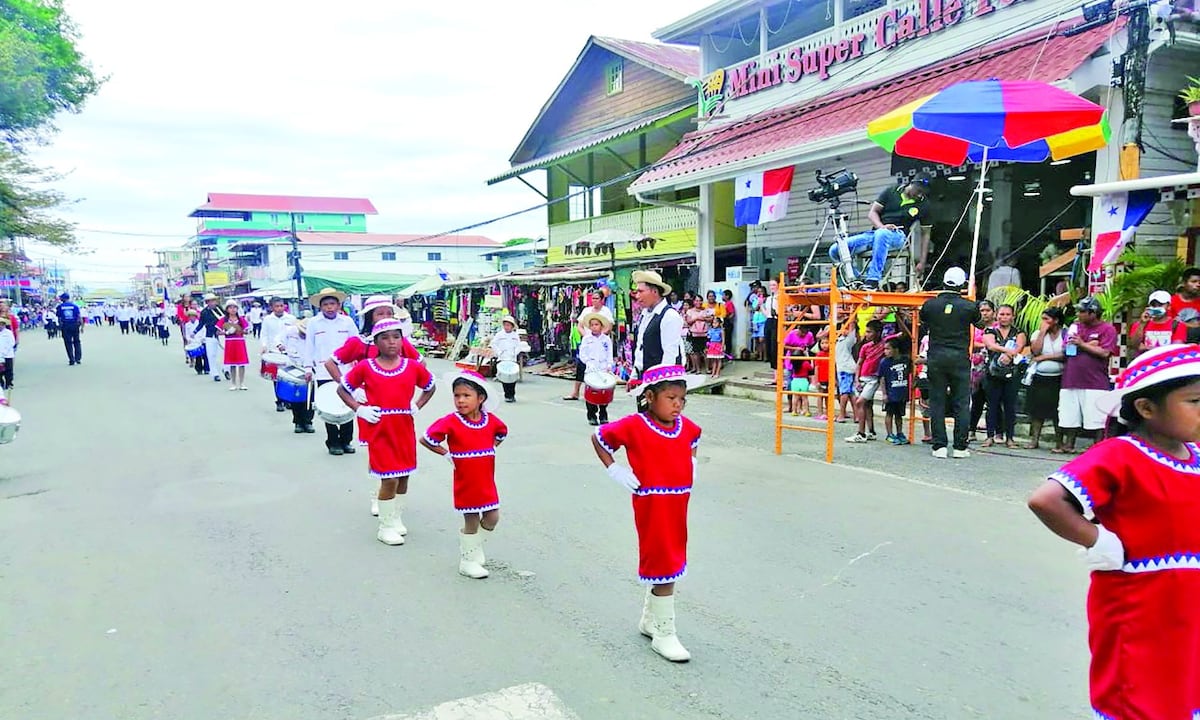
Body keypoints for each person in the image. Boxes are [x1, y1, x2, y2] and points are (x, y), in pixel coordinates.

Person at [1027, 343, 1200, 720]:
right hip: (1138, 607)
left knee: (1182, 695)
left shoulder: (1195, 457)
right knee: (1137, 697)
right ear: (1147, 408)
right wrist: (1100, 541)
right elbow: (1047, 499)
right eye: (1194, 401)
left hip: (1187, 608)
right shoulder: (1121, 454)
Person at [591, 364, 703, 663]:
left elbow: (693, 439)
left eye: (682, 398)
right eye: (670, 398)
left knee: (673, 556)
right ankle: (664, 632)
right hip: (653, 504)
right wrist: (615, 469)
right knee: (664, 559)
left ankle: (650, 619)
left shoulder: (685, 426)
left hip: (679, 503)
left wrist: (692, 463)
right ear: (650, 397)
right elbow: (600, 438)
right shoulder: (634, 425)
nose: (677, 404)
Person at [337, 318, 436, 546]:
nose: (391, 342)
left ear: (402, 340)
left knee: (403, 475)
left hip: (403, 426)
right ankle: (385, 525)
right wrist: (359, 409)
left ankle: (396, 517)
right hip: (380, 426)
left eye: (396, 337)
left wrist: (417, 405)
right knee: (388, 478)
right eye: (385, 338)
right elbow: (343, 389)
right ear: (376, 342)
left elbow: (430, 387)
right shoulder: (366, 367)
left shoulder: (412, 366)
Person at [324, 295, 416, 515]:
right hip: (371, 409)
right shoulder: (359, 343)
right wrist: (354, 391)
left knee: (400, 455)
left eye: (388, 313)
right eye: (379, 313)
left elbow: (419, 365)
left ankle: (391, 500)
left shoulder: (399, 342)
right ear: (369, 318)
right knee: (378, 451)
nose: (384, 317)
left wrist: (412, 397)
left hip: (398, 409)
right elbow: (331, 363)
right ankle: (379, 494)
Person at [420, 369, 508, 578]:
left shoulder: (491, 420)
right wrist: (446, 454)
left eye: (466, 396)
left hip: (486, 480)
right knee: (471, 520)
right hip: (466, 482)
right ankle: (467, 561)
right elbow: (427, 439)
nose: (460, 401)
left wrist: (492, 446)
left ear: (481, 398)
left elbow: (502, 432)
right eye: (457, 395)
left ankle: (474, 548)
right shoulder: (451, 421)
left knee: (492, 517)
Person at [828, 173, 930, 290]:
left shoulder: (924, 204)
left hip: (899, 236)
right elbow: (872, 212)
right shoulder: (891, 191)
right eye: (918, 190)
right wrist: (881, 226)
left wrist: (922, 261)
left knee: (883, 234)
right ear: (911, 184)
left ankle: (873, 280)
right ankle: (857, 280)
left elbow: (926, 234)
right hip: (877, 232)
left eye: (923, 192)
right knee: (836, 249)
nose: (919, 194)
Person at [919, 267, 980, 459]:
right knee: (961, 402)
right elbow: (980, 322)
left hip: (936, 357)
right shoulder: (969, 306)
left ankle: (939, 446)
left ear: (944, 281)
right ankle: (960, 447)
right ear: (962, 284)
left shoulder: (930, 305)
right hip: (959, 358)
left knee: (937, 402)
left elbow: (923, 321)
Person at [302, 287, 358, 455]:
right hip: (323, 371)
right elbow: (309, 346)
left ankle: (346, 440)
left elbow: (356, 343)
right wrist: (307, 367)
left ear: (339, 305)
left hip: (346, 371)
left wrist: (358, 362)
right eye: (326, 304)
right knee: (329, 406)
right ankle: (333, 442)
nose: (329, 307)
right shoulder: (314, 323)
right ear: (320, 307)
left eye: (332, 304)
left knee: (347, 405)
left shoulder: (347, 322)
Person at [1059, 296, 1118, 454]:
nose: (1078, 314)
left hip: (1095, 380)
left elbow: (1104, 352)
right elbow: (1065, 348)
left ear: (1093, 313)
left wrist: (1082, 344)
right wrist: (1089, 345)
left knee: (1096, 417)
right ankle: (1069, 444)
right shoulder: (1075, 327)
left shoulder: (1107, 329)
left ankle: (1097, 446)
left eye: (1082, 312)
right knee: (1069, 414)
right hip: (1071, 377)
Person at [981, 304, 1027, 448]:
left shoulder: (1019, 332)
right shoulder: (990, 330)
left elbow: (1020, 346)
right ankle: (989, 436)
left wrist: (1010, 354)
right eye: (1002, 314)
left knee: (1010, 406)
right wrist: (1008, 351)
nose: (1004, 317)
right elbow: (990, 345)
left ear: (1013, 316)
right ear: (997, 315)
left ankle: (1010, 438)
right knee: (992, 405)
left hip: (1012, 374)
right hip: (993, 373)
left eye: (1007, 314)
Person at [630, 270, 684, 380]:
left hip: (661, 382)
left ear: (654, 291)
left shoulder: (669, 316)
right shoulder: (644, 315)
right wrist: (635, 375)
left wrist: (662, 384)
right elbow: (640, 347)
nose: (637, 296)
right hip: (645, 379)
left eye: (641, 291)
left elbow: (670, 355)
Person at [1027, 307, 1066, 451]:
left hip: (1059, 378)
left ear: (1055, 321)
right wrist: (1043, 332)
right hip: (1040, 377)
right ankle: (1034, 440)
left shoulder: (1066, 333)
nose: (1043, 322)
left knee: (1058, 411)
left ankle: (1059, 442)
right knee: (1037, 411)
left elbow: (1066, 354)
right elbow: (1035, 351)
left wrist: (1045, 357)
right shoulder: (1038, 333)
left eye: (1046, 319)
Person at [565, 291, 614, 401]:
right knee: (581, 366)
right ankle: (576, 392)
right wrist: (587, 336)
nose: (594, 301)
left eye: (597, 298)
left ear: (602, 300)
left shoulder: (606, 311)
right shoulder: (586, 311)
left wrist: (599, 336)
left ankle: (601, 393)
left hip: (600, 342)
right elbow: (580, 326)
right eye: (593, 298)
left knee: (600, 369)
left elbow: (609, 326)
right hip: (588, 342)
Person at [845, 319, 884, 443]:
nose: (866, 334)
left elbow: (900, 335)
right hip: (862, 378)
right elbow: (859, 363)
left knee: (860, 402)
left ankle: (861, 433)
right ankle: (871, 431)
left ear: (877, 333)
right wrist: (856, 380)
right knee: (867, 405)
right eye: (866, 331)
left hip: (873, 379)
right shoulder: (865, 347)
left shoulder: (884, 344)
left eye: (869, 332)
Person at [577, 310, 615, 426]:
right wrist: (588, 362)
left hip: (603, 368)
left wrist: (609, 365)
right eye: (592, 325)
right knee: (592, 392)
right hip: (591, 368)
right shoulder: (586, 339)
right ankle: (591, 414)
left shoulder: (606, 340)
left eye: (596, 325)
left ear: (601, 326)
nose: (594, 327)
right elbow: (582, 353)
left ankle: (603, 414)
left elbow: (609, 353)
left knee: (604, 391)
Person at [260, 297, 297, 412]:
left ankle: (288, 400)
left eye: (281, 306)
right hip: (273, 352)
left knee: (289, 378)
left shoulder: (291, 318)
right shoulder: (267, 320)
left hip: (288, 352)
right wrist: (264, 346)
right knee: (276, 378)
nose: (280, 308)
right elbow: (264, 334)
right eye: (277, 306)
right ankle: (279, 401)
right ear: (272, 307)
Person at [279, 318, 315, 434]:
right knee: (296, 396)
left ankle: (308, 422)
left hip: (309, 367)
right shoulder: (290, 331)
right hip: (293, 366)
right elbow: (278, 339)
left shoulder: (313, 337)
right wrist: (280, 345)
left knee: (309, 397)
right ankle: (298, 422)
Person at [968, 300, 997, 442]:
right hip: (976, 370)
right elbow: (970, 343)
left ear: (993, 312)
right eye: (982, 310)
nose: (984, 313)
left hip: (994, 368)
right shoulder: (974, 328)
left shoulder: (998, 327)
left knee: (995, 401)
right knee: (976, 401)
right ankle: (971, 430)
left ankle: (997, 433)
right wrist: (988, 344)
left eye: (987, 310)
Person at [878, 336, 911, 444]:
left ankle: (900, 433)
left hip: (901, 392)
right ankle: (889, 434)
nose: (885, 352)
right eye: (884, 349)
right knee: (889, 413)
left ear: (896, 349)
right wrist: (884, 394)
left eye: (888, 349)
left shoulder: (905, 360)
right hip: (891, 393)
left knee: (899, 414)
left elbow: (911, 372)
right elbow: (882, 378)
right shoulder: (884, 362)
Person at [1128, 289, 1177, 357]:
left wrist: (1148, 348)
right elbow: (1135, 345)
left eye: (1160, 305)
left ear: (1168, 306)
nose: (1156, 308)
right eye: (1153, 305)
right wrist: (1142, 324)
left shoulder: (1177, 324)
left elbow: (1176, 349)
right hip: (1146, 363)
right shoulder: (1139, 324)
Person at [489, 315, 523, 403]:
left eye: (508, 325)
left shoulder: (515, 335)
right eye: (505, 325)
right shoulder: (499, 335)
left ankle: (512, 394)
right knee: (505, 378)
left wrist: (515, 353)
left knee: (512, 377)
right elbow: (493, 344)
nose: (507, 327)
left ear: (512, 326)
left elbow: (519, 346)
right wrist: (499, 352)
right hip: (502, 359)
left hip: (512, 359)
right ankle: (507, 395)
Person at [219, 300, 250, 391]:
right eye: (230, 307)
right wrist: (226, 332)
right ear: (227, 309)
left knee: (242, 364)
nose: (233, 309)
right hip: (229, 342)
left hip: (240, 342)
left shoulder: (241, 320)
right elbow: (217, 331)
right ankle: (233, 383)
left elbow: (247, 330)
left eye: (234, 307)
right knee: (232, 364)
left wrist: (239, 330)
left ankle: (241, 383)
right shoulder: (224, 320)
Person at [197, 293, 224, 382]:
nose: (213, 302)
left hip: (221, 334)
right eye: (211, 301)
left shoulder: (220, 309)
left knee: (224, 354)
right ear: (207, 302)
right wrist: (195, 332)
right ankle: (215, 373)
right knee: (211, 355)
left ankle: (226, 369)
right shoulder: (204, 312)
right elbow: (201, 324)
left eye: (214, 300)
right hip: (210, 335)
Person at [55, 292, 83, 366]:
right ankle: (78, 359)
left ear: (63, 298)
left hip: (65, 326)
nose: (60, 299)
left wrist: (60, 327)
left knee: (68, 343)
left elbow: (59, 318)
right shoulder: (75, 306)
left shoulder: (60, 307)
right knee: (77, 341)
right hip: (75, 325)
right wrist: (81, 326)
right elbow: (79, 317)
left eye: (61, 298)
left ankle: (71, 359)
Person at [684, 295, 709, 375]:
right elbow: (688, 321)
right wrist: (696, 319)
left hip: (704, 333)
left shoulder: (706, 310)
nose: (698, 302)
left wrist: (702, 318)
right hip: (694, 334)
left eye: (700, 300)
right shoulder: (690, 311)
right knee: (695, 352)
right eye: (697, 300)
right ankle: (698, 369)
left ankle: (707, 368)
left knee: (705, 352)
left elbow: (711, 319)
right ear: (694, 301)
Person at [722, 289, 736, 358]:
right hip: (724, 322)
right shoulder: (725, 304)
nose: (722, 296)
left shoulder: (729, 303)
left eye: (723, 295)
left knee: (727, 339)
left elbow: (732, 313)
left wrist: (727, 319)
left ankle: (728, 354)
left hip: (727, 323)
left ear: (727, 296)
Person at [0, 317, 14, 390]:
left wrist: (5, 352)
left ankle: (9, 383)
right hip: (0, 355)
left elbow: (12, 342)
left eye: (1, 324)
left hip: (8, 354)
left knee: (8, 370)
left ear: (4, 325)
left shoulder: (8, 333)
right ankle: (1, 384)